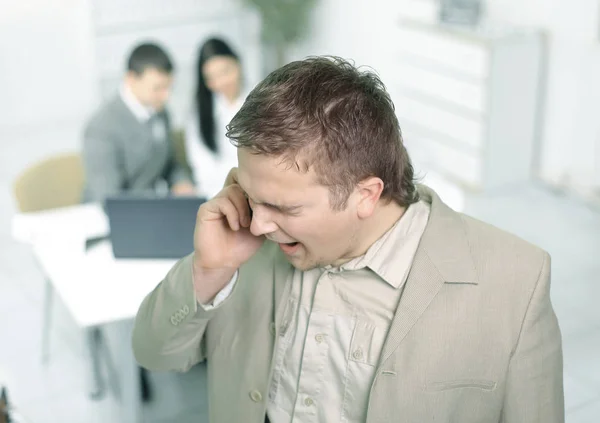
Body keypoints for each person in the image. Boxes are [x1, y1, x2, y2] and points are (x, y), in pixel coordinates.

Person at [132, 57, 564, 422]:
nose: (258, 224)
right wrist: (209, 271)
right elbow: (154, 353)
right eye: (248, 193)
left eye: (284, 207)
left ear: (366, 195)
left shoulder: (515, 283)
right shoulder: (242, 244)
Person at [82, 42, 195, 203]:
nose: (166, 96)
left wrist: (181, 183)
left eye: (169, 87)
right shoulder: (101, 128)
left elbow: (169, 163)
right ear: (131, 79)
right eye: (158, 88)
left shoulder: (160, 111)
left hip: (152, 207)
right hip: (118, 214)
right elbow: (108, 198)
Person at [184, 37, 250, 198]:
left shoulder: (262, 101)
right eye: (211, 78)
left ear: (238, 64)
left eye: (225, 72)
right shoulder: (199, 115)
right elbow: (203, 170)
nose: (221, 82)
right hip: (216, 196)